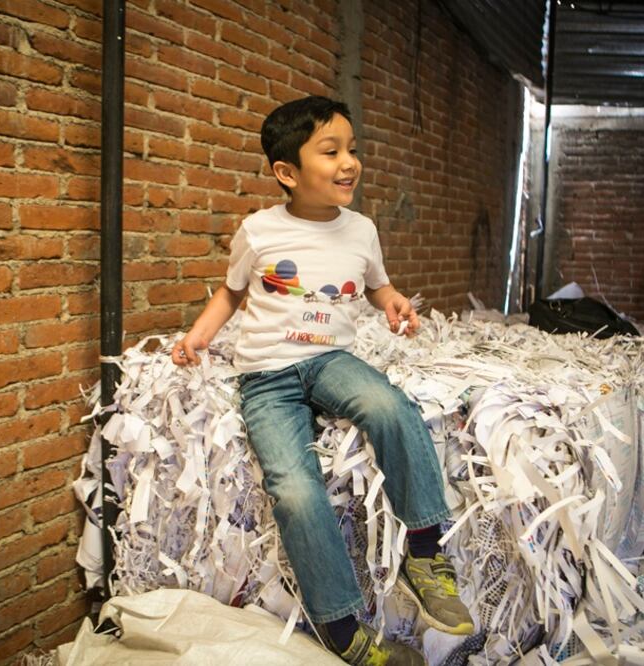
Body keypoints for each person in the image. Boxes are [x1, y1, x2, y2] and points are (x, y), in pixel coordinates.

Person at [171, 96, 473, 665]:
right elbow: (233, 292)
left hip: (332, 359)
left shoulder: (361, 230)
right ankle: (343, 629)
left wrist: (393, 302)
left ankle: (425, 552)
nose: (349, 163)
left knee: (390, 406)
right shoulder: (258, 231)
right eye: (330, 151)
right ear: (286, 172)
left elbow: (378, 284)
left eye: (352, 150)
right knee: (294, 489)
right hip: (268, 376)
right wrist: (198, 337)